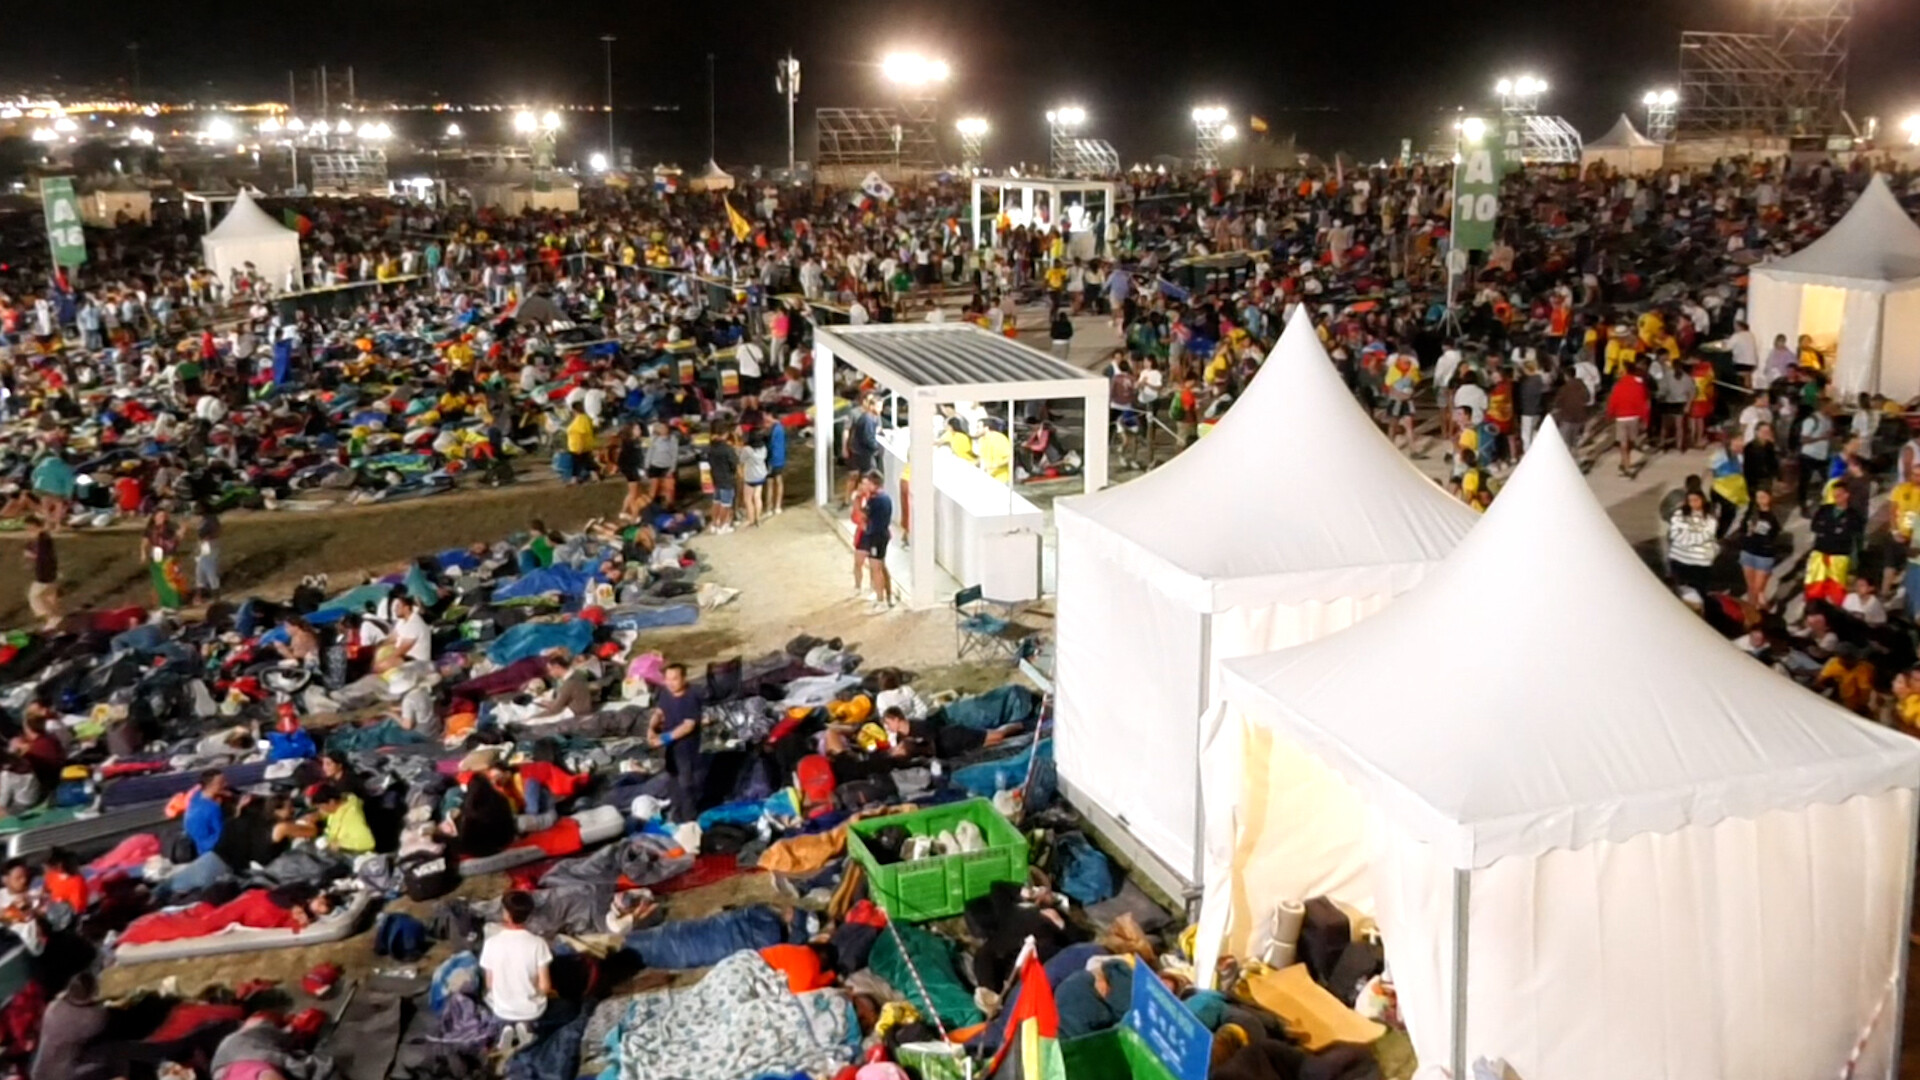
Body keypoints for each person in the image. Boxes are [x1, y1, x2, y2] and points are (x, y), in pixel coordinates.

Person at [480, 890, 553, 1036]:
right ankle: (525, 1029)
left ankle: (508, 1029)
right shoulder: (538, 944)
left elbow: (489, 984)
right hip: (532, 1011)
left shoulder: (491, 943)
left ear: (506, 914)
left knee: (489, 997)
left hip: (502, 1010)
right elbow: (545, 987)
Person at [648, 663, 707, 822]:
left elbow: (689, 725)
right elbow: (659, 712)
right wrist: (651, 728)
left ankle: (689, 820)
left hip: (687, 748)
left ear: (684, 678)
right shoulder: (665, 693)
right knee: (672, 781)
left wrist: (664, 738)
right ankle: (676, 814)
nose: (670, 683)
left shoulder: (691, 696)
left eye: (675, 679)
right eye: (667, 679)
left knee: (686, 785)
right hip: (670, 749)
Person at [31, 973, 111, 1080]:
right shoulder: (92, 1017)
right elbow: (102, 1023)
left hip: (37, 1072)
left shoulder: (52, 1007)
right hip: (65, 1075)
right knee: (112, 1060)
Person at [1806, 482, 1863, 605]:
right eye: (1834, 494)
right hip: (1819, 553)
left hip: (1839, 556)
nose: (1836, 496)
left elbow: (1853, 536)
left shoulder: (1854, 515)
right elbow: (1815, 526)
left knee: (1836, 589)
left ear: (1847, 495)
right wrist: (1833, 531)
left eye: (1839, 494)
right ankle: (1812, 610)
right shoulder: (1824, 509)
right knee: (1815, 585)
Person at [1737, 488, 1782, 611]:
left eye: (1763, 497)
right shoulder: (1751, 513)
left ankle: (1762, 611)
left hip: (1764, 555)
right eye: (1758, 497)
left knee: (1758, 589)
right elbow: (1741, 529)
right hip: (1748, 552)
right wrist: (1747, 532)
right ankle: (1752, 612)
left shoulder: (1774, 515)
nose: (1760, 500)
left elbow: (1775, 535)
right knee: (1751, 588)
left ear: (1770, 498)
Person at [1667, 489, 1719, 595]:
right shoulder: (1679, 514)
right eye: (1690, 500)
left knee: (1700, 592)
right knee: (1679, 591)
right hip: (1679, 559)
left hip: (1700, 562)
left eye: (1696, 500)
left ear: (1702, 500)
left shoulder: (1710, 517)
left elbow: (1707, 534)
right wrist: (1691, 538)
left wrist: (1686, 536)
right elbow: (1674, 533)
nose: (1693, 503)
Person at [1604, 362, 1651, 476]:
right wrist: (1645, 419)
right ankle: (1626, 461)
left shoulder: (1619, 385)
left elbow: (1613, 401)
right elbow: (1643, 404)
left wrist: (1609, 415)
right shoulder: (1639, 386)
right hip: (1634, 417)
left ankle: (1626, 464)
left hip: (1621, 417)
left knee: (1622, 443)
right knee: (1630, 441)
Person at [856, 472, 892, 613]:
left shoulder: (875, 500)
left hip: (876, 538)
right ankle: (887, 597)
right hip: (881, 536)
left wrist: (858, 499)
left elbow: (864, 517)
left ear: (873, 484)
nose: (864, 486)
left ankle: (881, 601)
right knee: (881, 566)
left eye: (866, 483)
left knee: (876, 569)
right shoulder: (884, 497)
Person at [307, 784, 375, 855]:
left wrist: (340, 844)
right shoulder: (338, 806)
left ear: (331, 802)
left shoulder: (352, 816)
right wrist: (317, 816)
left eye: (321, 807)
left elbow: (368, 842)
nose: (321, 810)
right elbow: (323, 813)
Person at [143, 508, 188, 610]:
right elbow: (145, 541)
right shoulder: (151, 528)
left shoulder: (170, 526)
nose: (162, 518)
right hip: (156, 557)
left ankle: (175, 602)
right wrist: (143, 553)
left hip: (169, 557)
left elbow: (178, 538)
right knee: (160, 581)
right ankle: (164, 602)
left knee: (172, 579)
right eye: (159, 516)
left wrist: (182, 531)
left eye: (163, 516)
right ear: (155, 517)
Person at [842, 396, 881, 506]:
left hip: (864, 452)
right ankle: (847, 500)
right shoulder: (855, 414)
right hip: (856, 450)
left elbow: (878, 429)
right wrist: (844, 447)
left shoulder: (875, 416)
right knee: (854, 476)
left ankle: (859, 501)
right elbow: (847, 431)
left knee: (864, 477)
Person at [184, 769, 230, 857]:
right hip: (213, 850)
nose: (226, 784)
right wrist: (238, 811)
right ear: (211, 785)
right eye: (222, 783)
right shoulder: (212, 808)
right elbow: (222, 834)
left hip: (199, 847)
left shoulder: (195, 798)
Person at [23, 516, 58, 632]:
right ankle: (54, 620)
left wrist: (31, 554)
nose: (27, 530)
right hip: (49, 570)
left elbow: (40, 554)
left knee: (35, 596)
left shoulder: (42, 536)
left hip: (45, 570)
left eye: (28, 528)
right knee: (49, 596)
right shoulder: (41, 537)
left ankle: (51, 618)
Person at [706, 422, 739, 534]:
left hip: (716, 478)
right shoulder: (727, 449)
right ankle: (722, 525)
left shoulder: (711, 447)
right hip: (726, 478)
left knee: (716, 502)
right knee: (726, 504)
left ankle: (715, 523)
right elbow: (734, 464)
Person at [616, 419, 648, 522]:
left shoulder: (635, 441)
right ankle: (634, 515)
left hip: (631, 467)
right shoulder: (631, 443)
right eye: (637, 429)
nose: (639, 431)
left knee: (633, 491)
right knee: (634, 492)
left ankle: (624, 511)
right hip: (630, 468)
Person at [644, 420, 680, 507]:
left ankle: (669, 507)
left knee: (669, 489)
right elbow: (649, 453)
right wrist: (646, 466)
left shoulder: (673, 439)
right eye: (661, 428)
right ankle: (651, 507)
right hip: (654, 467)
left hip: (667, 467)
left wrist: (672, 468)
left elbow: (675, 454)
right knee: (654, 489)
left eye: (665, 427)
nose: (663, 429)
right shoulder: (654, 439)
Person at [740, 430, 769, 528]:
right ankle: (758, 519)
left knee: (748, 499)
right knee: (758, 497)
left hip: (750, 476)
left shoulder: (747, 449)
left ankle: (751, 519)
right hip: (761, 475)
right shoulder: (763, 448)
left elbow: (741, 460)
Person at [195, 502, 223, 601]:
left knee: (209, 567)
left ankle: (215, 592)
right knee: (200, 568)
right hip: (204, 544)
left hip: (210, 544)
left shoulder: (211, 519)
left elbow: (217, 531)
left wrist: (208, 538)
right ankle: (202, 591)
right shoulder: (204, 519)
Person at [564, 401, 596, 485]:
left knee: (577, 463)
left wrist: (581, 447)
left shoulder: (581, 419)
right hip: (577, 446)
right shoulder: (581, 418)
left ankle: (575, 479)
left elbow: (582, 434)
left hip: (579, 446)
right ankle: (594, 476)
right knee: (586, 462)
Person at [765, 416, 788, 516]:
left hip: (772, 459)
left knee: (771, 483)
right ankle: (777, 506)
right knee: (778, 482)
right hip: (779, 459)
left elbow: (770, 445)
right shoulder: (780, 428)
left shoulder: (774, 429)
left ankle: (770, 507)